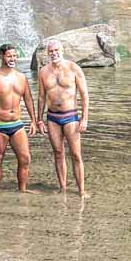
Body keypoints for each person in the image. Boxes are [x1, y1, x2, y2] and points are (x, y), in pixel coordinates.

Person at [0, 43, 38, 195]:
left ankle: (23, 189)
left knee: (25, 158)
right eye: (9, 56)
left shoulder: (22, 78)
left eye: (14, 56)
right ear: (1, 56)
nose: (12, 58)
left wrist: (33, 120)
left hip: (17, 124)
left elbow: (29, 100)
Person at [36, 39, 90, 198]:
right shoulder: (43, 72)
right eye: (51, 51)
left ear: (62, 50)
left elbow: (84, 95)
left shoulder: (74, 68)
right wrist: (39, 120)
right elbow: (40, 97)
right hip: (52, 118)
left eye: (56, 50)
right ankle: (63, 188)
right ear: (47, 53)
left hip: (70, 116)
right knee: (58, 153)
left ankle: (81, 190)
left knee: (76, 154)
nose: (54, 53)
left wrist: (85, 119)